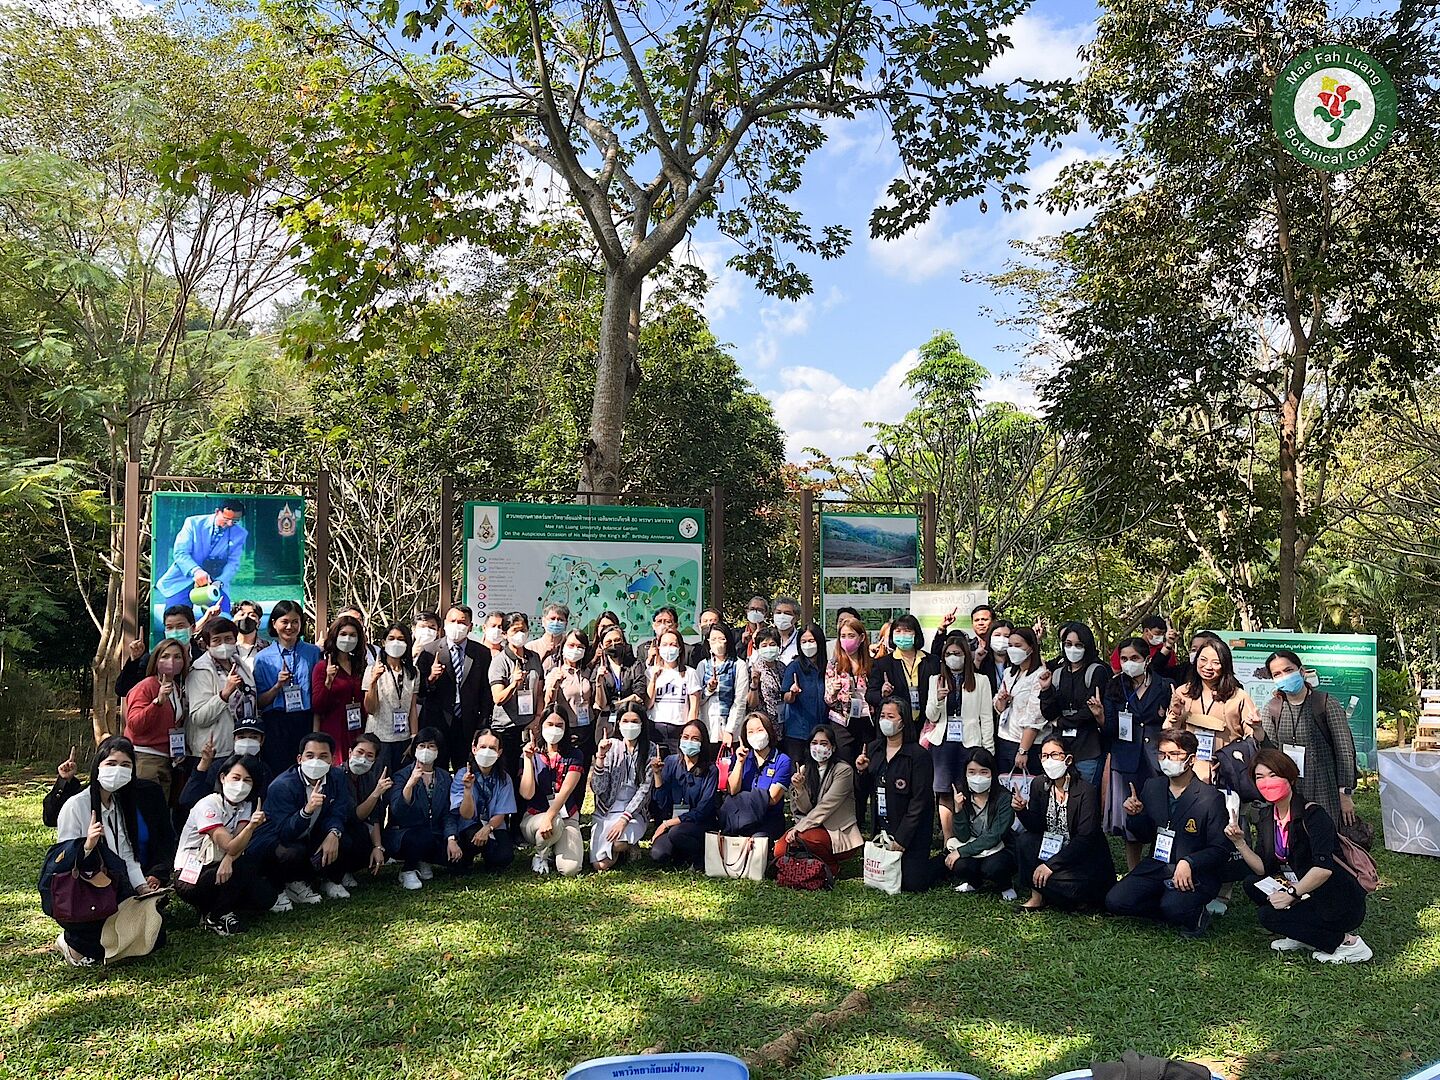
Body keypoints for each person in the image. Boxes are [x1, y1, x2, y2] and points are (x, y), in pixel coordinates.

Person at [1227, 748, 1371, 962]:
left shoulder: (1312, 815)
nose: (1267, 782)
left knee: (1268, 917)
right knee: (1252, 883)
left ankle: (1347, 943)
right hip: (1303, 889)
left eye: (1273, 775)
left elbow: (1323, 869)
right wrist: (1239, 843)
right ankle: (1302, 933)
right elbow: (1263, 868)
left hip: (1336, 897)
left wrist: (1291, 895)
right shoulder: (1267, 816)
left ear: (1290, 777)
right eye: (1259, 777)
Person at [47, 737, 175, 965]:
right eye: (111, 763)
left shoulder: (117, 806)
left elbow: (127, 854)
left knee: (157, 936)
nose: (118, 770)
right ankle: (71, 942)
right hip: (82, 892)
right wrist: (87, 846)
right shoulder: (76, 805)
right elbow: (62, 861)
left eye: (125, 765)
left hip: (114, 885)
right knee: (98, 949)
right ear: (97, 767)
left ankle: (101, 937)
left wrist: (142, 887)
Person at [1106, 730, 1230, 937]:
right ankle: (1168, 906)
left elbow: (1221, 848)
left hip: (1195, 872)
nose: (1166, 760)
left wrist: (1190, 862)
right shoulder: (1153, 786)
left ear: (1191, 759)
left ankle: (1192, 912)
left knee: (1174, 907)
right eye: (1162, 754)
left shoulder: (1211, 798)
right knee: (1115, 901)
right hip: (1157, 865)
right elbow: (1145, 835)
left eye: (1174, 754)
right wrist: (1135, 815)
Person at [247, 731, 355, 911]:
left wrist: (333, 833)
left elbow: (339, 809)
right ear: (299, 758)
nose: (316, 761)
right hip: (275, 839)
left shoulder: (337, 777)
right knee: (291, 852)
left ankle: (328, 879)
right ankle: (281, 885)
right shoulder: (282, 786)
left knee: (345, 840)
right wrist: (306, 811)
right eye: (310, 755)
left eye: (323, 756)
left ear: (332, 759)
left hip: (311, 833)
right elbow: (284, 832)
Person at [1012, 735, 1115, 911]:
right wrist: (1021, 811)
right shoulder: (1039, 784)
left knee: (1070, 889)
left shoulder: (1085, 791)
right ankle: (1037, 896)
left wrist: (1050, 866)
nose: (1049, 760)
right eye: (1044, 756)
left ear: (1068, 759)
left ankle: (1057, 890)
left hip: (1080, 858)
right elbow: (1036, 827)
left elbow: (1085, 838)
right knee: (1025, 840)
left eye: (1054, 755)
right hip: (1052, 849)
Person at [173, 753, 271, 935]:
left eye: (247, 780)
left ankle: (218, 906)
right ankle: (216, 914)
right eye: (236, 777)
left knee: (265, 897)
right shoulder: (208, 805)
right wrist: (251, 827)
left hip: (221, 864)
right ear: (223, 777)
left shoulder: (246, 805)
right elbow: (231, 845)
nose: (241, 784)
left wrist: (229, 859)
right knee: (244, 867)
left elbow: (237, 842)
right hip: (190, 875)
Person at [1259, 649, 1359, 826]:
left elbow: (1345, 750)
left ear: (1301, 671)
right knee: (1295, 840)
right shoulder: (1272, 709)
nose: (1284, 676)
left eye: (1288, 670)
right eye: (1277, 674)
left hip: (1324, 787)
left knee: (1325, 838)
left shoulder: (1326, 703)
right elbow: (1271, 754)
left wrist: (1345, 793)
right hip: (1290, 789)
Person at [1102, 637, 1177, 869]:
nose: (1128, 663)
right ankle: (1133, 871)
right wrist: (1099, 717)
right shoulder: (1114, 686)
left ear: (1147, 660)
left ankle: (1159, 866)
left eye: (1134, 658)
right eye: (1124, 659)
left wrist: (1170, 714)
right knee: (1129, 818)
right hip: (1125, 760)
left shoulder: (1165, 685)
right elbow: (1110, 729)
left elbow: (1172, 724)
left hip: (1156, 758)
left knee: (1159, 816)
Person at [855, 696, 934, 893]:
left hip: (909, 832)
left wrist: (902, 838)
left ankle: (942, 862)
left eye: (891, 716)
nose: (885, 721)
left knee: (912, 884)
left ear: (903, 721)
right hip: (882, 829)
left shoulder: (918, 755)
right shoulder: (873, 749)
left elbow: (919, 802)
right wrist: (862, 771)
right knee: (881, 879)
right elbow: (863, 791)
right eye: (882, 716)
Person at [923, 630, 994, 847]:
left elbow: (986, 717)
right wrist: (938, 699)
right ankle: (948, 839)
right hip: (943, 743)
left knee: (966, 790)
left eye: (959, 653)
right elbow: (931, 716)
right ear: (944, 656)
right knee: (944, 792)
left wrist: (988, 749)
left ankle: (968, 837)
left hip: (970, 742)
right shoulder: (936, 679)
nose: (954, 657)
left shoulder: (981, 681)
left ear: (966, 655)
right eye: (950, 653)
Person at [773, 723, 863, 877]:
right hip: (812, 826)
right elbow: (804, 809)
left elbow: (826, 806)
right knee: (779, 850)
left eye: (824, 743)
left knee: (804, 838)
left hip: (836, 831)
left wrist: (798, 828)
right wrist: (800, 788)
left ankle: (831, 867)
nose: (818, 748)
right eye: (814, 743)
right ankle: (810, 862)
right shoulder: (805, 770)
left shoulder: (843, 770)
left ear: (833, 747)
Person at [1168, 637, 1261, 783]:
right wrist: (1175, 715)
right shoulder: (1182, 693)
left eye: (1216, 662)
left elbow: (1252, 739)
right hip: (1189, 770)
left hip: (1227, 772)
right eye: (1203, 660)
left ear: (1225, 665)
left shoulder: (1238, 696)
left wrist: (1256, 728)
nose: (1208, 667)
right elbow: (1168, 733)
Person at [417, 604, 495, 774]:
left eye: (462, 622)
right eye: (453, 621)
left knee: (466, 771)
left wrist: (483, 721)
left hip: (468, 723)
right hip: (438, 722)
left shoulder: (481, 653)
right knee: (438, 770)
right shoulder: (429, 651)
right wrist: (430, 678)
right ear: (445, 624)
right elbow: (418, 693)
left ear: (470, 626)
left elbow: (485, 690)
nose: (457, 626)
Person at [252, 600, 323, 780]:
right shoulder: (262, 658)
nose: (289, 626)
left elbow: (318, 692)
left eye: (295, 621)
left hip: (305, 720)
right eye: (284, 621)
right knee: (279, 775)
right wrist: (277, 687)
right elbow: (259, 702)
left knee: (307, 773)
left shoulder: (313, 653)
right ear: (274, 624)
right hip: (276, 724)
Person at [936, 749, 1017, 897]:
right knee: (960, 865)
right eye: (972, 772)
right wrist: (959, 811)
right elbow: (963, 837)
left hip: (1000, 848)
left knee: (993, 867)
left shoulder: (1004, 798)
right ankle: (974, 882)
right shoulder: (962, 796)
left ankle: (1006, 886)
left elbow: (994, 836)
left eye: (983, 772)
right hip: (973, 844)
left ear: (992, 773)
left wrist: (960, 852)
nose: (977, 777)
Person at [1039, 621, 1110, 786]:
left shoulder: (1096, 671)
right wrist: (1046, 690)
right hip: (1059, 749)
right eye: (1068, 644)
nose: (1073, 649)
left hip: (1087, 748)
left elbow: (1090, 711)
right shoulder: (1057, 673)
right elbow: (1048, 713)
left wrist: (1062, 721)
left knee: (1086, 796)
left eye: (1078, 645)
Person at [518, 707, 585, 876]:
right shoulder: (530, 754)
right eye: (550, 724)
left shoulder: (575, 754)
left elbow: (565, 791)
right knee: (554, 823)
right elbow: (527, 794)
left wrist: (550, 816)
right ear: (541, 726)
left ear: (566, 728)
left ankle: (555, 844)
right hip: (535, 818)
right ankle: (541, 854)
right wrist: (528, 760)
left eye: (559, 725)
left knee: (570, 869)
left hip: (567, 817)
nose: (554, 729)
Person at [588, 705, 656, 870]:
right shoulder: (611, 746)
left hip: (633, 812)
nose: (630, 725)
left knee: (618, 844)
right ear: (618, 723)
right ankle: (626, 847)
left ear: (642, 724)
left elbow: (644, 791)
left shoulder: (651, 749)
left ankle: (629, 844)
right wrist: (601, 758)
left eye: (634, 721)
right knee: (600, 865)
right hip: (607, 810)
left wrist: (625, 819)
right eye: (625, 721)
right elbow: (598, 789)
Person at [385, 728, 453, 890]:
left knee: (456, 859)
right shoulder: (402, 776)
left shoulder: (444, 777)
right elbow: (397, 811)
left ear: (438, 751)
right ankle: (408, 870)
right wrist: (410, 784)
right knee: (421, 837)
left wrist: (451, 838)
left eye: (431, 746)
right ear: (414, 749)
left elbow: (447, 813)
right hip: (405, 834)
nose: (426, 751)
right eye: (421, 746)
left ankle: (423, 860)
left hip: (434, 832)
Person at [152, 499, 248, 614]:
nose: (230, 524)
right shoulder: (193, 523)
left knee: (222, 619)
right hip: (184, 579)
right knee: (176, 617)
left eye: (235, 521)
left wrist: (220, 582)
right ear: (217, 512)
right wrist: (196, 571)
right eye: (226, 519)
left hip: (215, 583)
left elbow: (233, 563)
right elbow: (180, 553)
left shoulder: (240, 533)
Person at [648, 720, 720, 870]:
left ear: (702, 742)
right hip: (673, 823)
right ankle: (682, 855)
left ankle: (699, 856)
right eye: (685, 737)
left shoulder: (711, 770)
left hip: (699, 825)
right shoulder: (670, 762)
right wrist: (658, 775)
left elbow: (702, 811)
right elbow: (662, 803)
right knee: (658, 854)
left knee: (677, 833)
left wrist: (667, 824)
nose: (689, 742)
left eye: (695, 739)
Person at [185, 616, 255, 765]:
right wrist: (224, 695)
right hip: (213, 752)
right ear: (207, 644)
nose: (223, 644)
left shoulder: (240, 665)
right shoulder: (200, 671)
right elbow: (199, 718)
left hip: (243, 748)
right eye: (217, 640)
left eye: (228, 638)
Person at [123, 637, 191, 789]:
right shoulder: (146, 686)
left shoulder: (177, 689)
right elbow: (134, 724)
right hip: (145, 758)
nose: (171, 661)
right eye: (165, 656)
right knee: (147, 809)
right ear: (156, 660)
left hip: (167, 760)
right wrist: (157, 702)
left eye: (177, 657)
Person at [447, 729, 517, 872]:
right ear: (474, 749)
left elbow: (502, 813)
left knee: (505, 856)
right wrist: (467, 789)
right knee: (471, 842)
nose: (487, 752)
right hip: (469, 825)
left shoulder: (504, 779)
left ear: (499, 752)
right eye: (483, 747)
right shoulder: (463, 775)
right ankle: (467, 857)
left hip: (493, 825)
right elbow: (465, 814)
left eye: (492, 748)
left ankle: (490, 857)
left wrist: (488, 828)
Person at [179, 717, 274, 818]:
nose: (247, 742)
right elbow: (188, 800)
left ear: (262, 740)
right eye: (241, 737)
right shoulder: (219, 766)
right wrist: (204, 763)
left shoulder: (265, 770)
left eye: (253, 737)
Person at [488, 611, 544, 778]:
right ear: (505, 634)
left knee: (530, 775)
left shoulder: (534, 658)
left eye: (523, 630)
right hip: (507, 729)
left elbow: (539, 692)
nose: (520, 634)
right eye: (514, 630)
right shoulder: (500, 661)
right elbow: (497, 698)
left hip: (529, 727)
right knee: (509, 776)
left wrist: (538, 718)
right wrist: (513, 684)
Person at [722, 712, 793, 842]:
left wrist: (739, 798)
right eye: (750, 732)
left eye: (760, 730)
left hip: (768, 821)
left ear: (769, 731)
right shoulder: (740, 757)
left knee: (756, 843)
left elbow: (772, 798)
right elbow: (732, 790)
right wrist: (739, 762)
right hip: (739, 819)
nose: (756, 735)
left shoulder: (782, 760)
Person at [362, 623, 420, 775]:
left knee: (401, 782)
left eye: (401, 639)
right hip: (379, 738)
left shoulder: (413, 673)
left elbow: (412, 707)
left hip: (403, 738)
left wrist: (414, 737)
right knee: (379, 783)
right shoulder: (372, 669)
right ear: (384, 642)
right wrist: (373, 681)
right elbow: (370, 708)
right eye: (391, 638)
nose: (396, 643)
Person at [114, 604, 202, 704]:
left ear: (193, 628)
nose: (175, 632)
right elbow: (122, 689)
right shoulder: (152, 659)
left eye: (180, 627)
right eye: (169, 628)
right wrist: (134, 660)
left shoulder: (202, 659)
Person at [311, 615, 368, 763]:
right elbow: (317, 705)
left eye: (352, 635)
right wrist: (328, 681)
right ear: (335, 636)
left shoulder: (360, 666)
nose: (348, 639)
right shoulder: (323, 667)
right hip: (334, 729)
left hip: (358, 728)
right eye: (343, 634)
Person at [994, 626, 1048, 776]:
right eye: (1010, 646)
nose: (1013, 650)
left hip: (1027, 744)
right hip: (1005, 738)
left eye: (1018, 646)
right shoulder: (1009, 673)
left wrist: (1023, 750)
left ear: (1031, 648)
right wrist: (1002, 701)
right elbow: (999, 707)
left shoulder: (1040, 675)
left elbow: (1035, 716)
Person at [824, 615, 877, 765]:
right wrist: (834, 692)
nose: (847, 639)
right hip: (842, 723)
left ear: (861, 638)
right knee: (845, 765)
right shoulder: (834, 665)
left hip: (867, 721)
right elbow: (828, 700)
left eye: (851, 635)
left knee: (866, 764)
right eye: (843, 636)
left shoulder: (872, 664)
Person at [339, 733, 390, 888]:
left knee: (384, 845)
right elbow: (354, 815)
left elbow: (373, 817)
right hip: (338, 829)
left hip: (358, 828)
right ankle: (337, 873)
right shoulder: (338, 776)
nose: (363, 759)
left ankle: (351, 869)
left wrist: (378, 847)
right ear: (349, 753)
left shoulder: (368, 778)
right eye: (359, 752)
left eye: (369, 756)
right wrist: (376, 794)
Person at [543, 629, 596, 769]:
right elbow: (548, 702)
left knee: (583, 771)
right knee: (568, 771)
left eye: (580, 647)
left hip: (586, 727)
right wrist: (555, 684)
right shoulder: (556, 672)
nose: (575, 650)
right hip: (567, 729)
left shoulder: (587, 672)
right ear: (563, 647)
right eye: (571, 645)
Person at [779, 622, 828, 763]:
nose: (808, 645)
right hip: (798, 732)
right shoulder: (794, 667)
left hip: (823, 731)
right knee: (798, 773)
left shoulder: (827, 666)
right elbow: (786, 697)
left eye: (811, 641)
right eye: (804, 641)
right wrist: (792, 693)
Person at [646, 627, 700, 755]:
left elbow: (694, 706)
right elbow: (648, 704)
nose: (668, 648)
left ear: (680, 648)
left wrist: (689, 731)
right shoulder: (651, 671)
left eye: (673, 644)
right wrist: (653, 679)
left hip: (679, 728)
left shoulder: (689, 673)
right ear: (658, 647)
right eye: (664, 645)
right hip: (656, 727)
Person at [868, 615, 929, 722]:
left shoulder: (930, 661)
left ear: (916, 634)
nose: (902, 635)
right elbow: (870, 695)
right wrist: (882, 694)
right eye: (898, 631)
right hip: (896, 724)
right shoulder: (883, 663)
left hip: (925, 722)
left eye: (907, 631)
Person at [696, 624, 748, 748]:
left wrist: (730, 730)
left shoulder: (738, 665)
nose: (717, 643)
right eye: (713, 639)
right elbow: (697, 699)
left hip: (730, 730)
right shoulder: (703, 665)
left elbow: (740, 700)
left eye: (721, 639)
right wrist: (709, 689)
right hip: (707, 727)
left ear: (728, 641)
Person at [591, 624, 642, 741]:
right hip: (606, 724)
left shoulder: (635, 665)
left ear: (623, 642)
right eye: (608, 642)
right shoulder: (599, 669)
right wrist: (599, 682)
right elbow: (601, 704)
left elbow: (638, 695)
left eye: (617, 640)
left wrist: (613, 706)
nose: (613, 644)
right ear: (602, 646)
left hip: (631, 721)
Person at [1109, 615, 1179, 679]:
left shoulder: (1165, 650)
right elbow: (1116, 670)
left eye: (1163, 634)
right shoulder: (1127, 647)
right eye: (1157, 633)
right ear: (1146, 631)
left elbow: (1171, 670)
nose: (1160, 636)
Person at [745, 626, 786, 727]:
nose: (768, 648)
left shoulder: (782, 667)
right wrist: (754, 684)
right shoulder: (754, 669)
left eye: (772, 645)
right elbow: (751, 704)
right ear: (758, 648)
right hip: (762, 723)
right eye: (764, 645)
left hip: (781, 722)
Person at [771, 596, 802, 664]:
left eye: (787, 613)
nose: (782, 616)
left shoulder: (801, 641)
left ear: (796, 617)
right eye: (778, 612)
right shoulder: (768, 639)